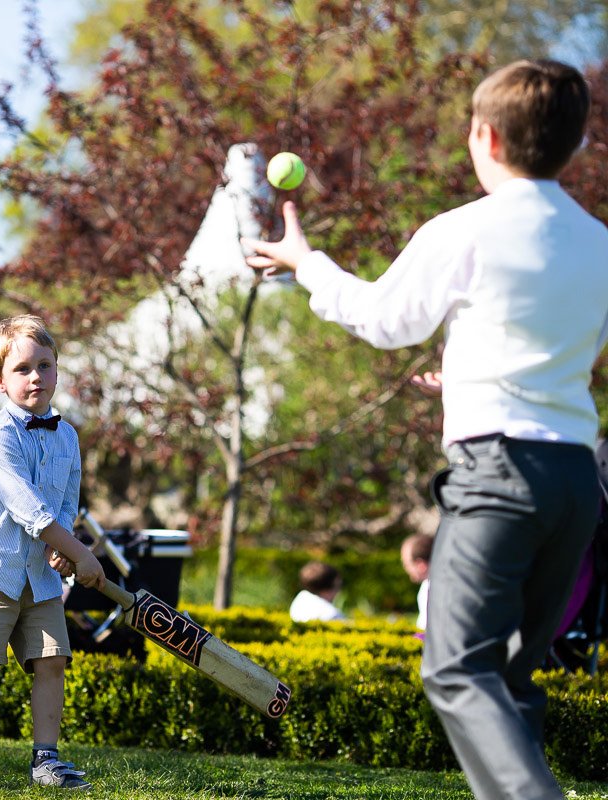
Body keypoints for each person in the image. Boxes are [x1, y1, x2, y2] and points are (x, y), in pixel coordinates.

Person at [243, 59, 608, 800]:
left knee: (454, 669)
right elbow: (552, 343)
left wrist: (305, 261)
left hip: (499, 474)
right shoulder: (599, 241)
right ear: (575, 145)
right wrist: (470, 375)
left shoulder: (464, 229)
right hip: (576, 479)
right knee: (509, 675)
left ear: (485, 137)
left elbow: (384, 320)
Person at [0, 314, 107, 790]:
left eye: (46, 366)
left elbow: (64, 505)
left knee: (52, 660)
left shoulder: (69, 436)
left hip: (41, 573)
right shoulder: (0, 437)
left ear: (57, 370)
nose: (36, 377)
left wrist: (65, 553)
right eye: (22, 369)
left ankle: (45, 761)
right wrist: (83, 553)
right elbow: (28, 509)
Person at [400, 533, 433, 630]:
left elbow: (424, 633)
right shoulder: (427, 585)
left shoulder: (429, 590)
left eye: (406, 564)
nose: (405, 569)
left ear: (420, 565)